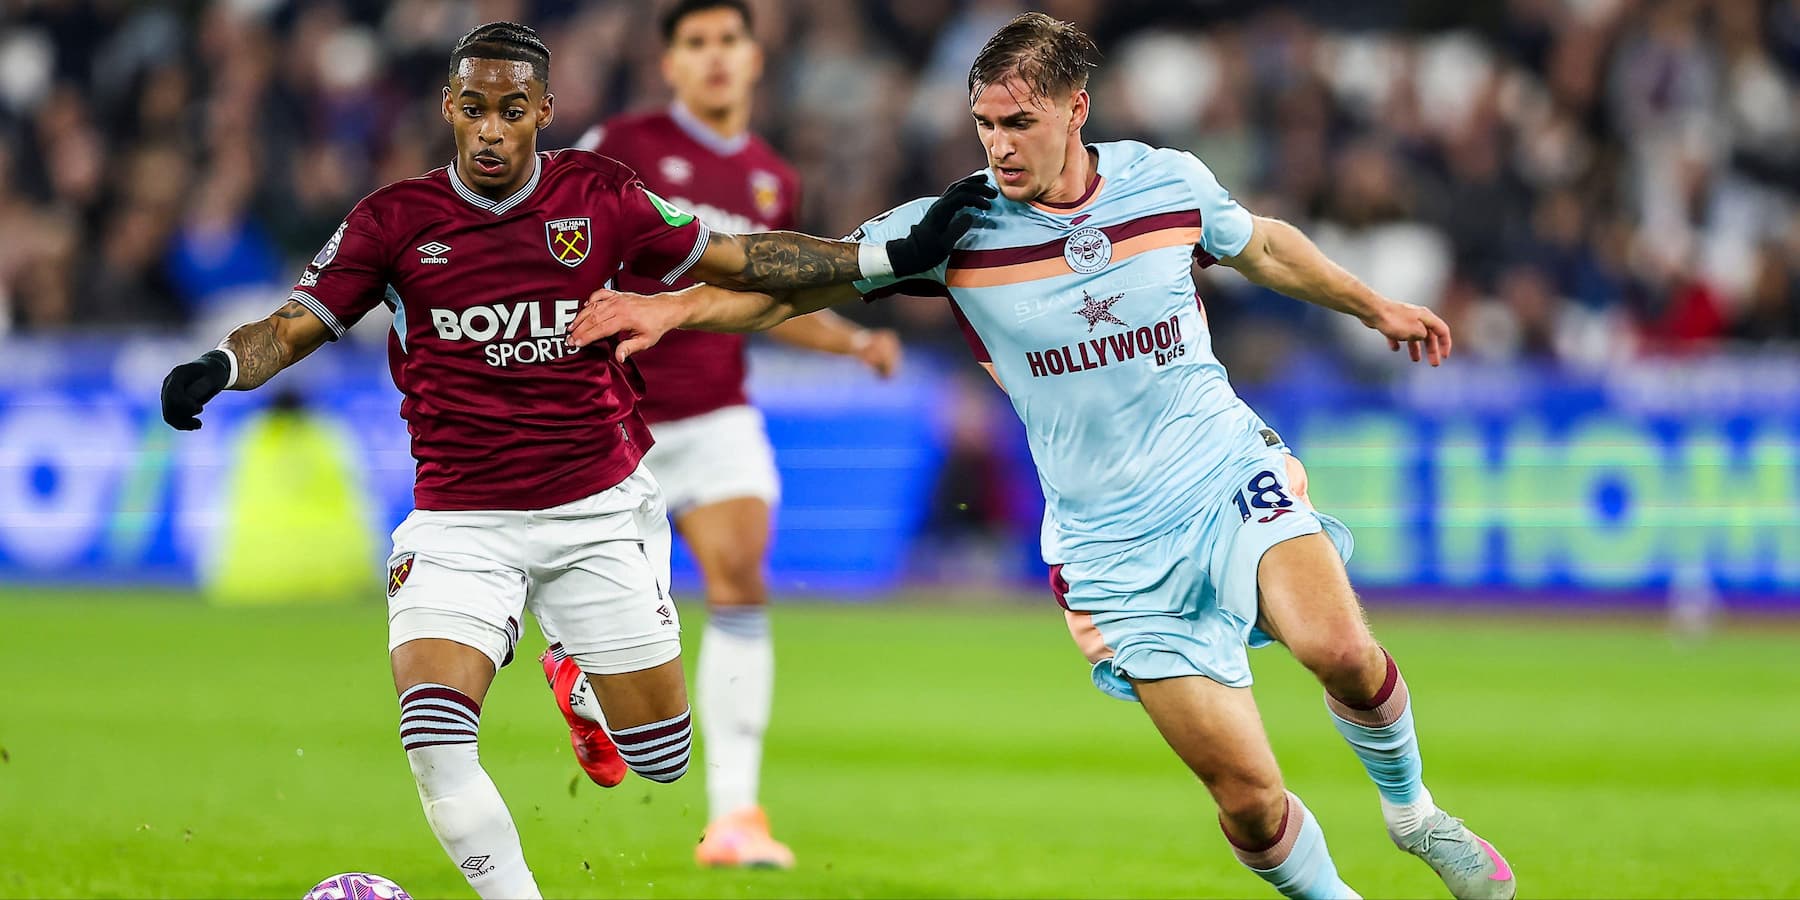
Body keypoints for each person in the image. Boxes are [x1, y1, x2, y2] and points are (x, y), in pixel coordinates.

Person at [565, 13, 1514, 900]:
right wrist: (674, 305)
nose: (1000, 146)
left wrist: (1373, 304)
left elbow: (1262, 247)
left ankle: (1414, 814)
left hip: (1222, 469)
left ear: (1075, 109)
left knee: (1340, 650)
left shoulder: (1165, 182)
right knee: (1250, 800)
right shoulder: (954, 229)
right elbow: (798, 279)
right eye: (984, 125)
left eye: (1019, 123)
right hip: (1109, 546)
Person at [156, 21, 988, 900]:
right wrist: (217, 367)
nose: (488, 129)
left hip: (595, 510)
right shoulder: (393, 222)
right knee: (434, 736)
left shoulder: (602, 197)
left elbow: (743, 259)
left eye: (510, 110)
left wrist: (890, 257)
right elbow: (291, 326)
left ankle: (575, 673)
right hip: (459, 524)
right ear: (447, 107)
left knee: (663, 757)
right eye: (472, 108)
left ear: (543, 112)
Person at [538, 0, 900, 869]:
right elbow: (553, 246)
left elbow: (768, 300)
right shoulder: (616, 145)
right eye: (694, 44)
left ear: (753, 57)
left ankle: (736, 815)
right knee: (636, 630)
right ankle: (580, 678)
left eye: (727, 41)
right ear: (669, 64)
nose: (713, 58)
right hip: (620, 418)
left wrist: (852, 339)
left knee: (742, 577)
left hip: (720, 413)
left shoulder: (771, 178)